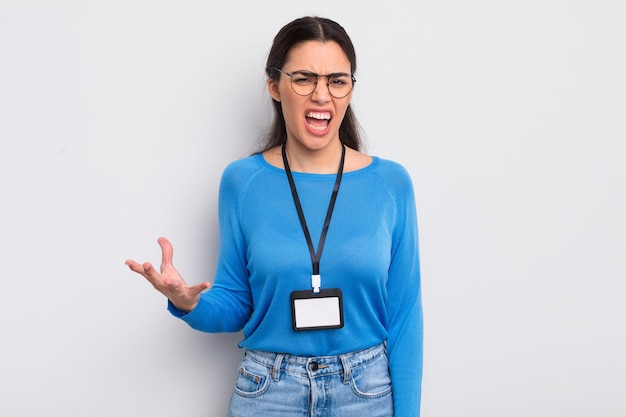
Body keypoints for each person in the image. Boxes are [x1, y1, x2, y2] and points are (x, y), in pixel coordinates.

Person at [126, 16, 423, 417]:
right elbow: (236, 302)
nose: (322, 95)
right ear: (275, 87)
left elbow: (405, 318)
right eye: (304, 78)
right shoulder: (242, 182)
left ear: (350, 89)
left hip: (364, 393)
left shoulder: (390, 183)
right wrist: (189, 304)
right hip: (269, 392)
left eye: (337, 80)